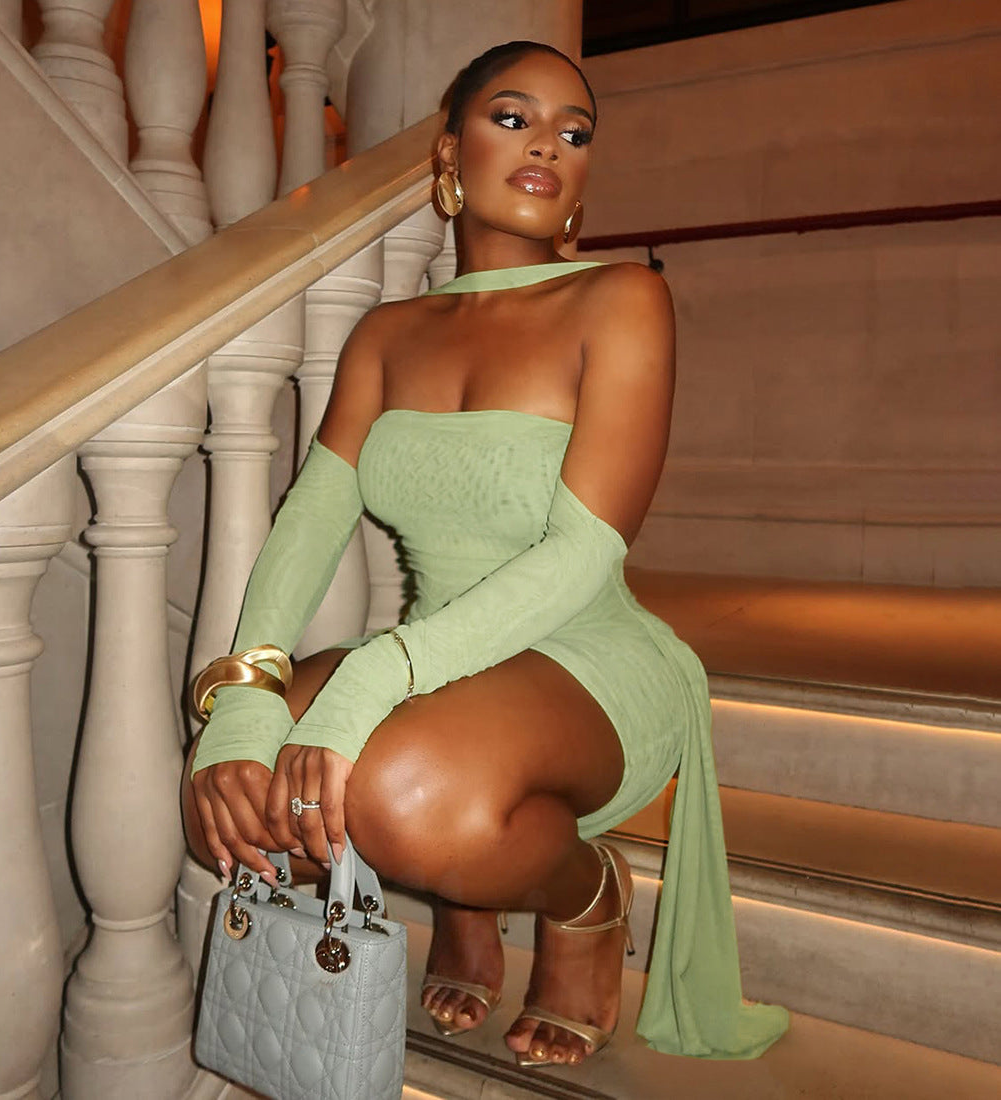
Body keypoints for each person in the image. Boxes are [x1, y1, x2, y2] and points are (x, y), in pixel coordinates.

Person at [182, 40, 788, 1069]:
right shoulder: (386, 333)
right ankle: (465, 888)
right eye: (512, 117)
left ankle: (584, 894)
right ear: (449, 151)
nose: (547, 143)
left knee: (403, 792)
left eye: (573, 131)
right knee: (233, 795)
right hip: (443, 657)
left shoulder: (621, 299)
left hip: (588, 654)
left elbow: (584, 549)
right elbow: (311, 517)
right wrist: (247, 694)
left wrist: (369, 676)